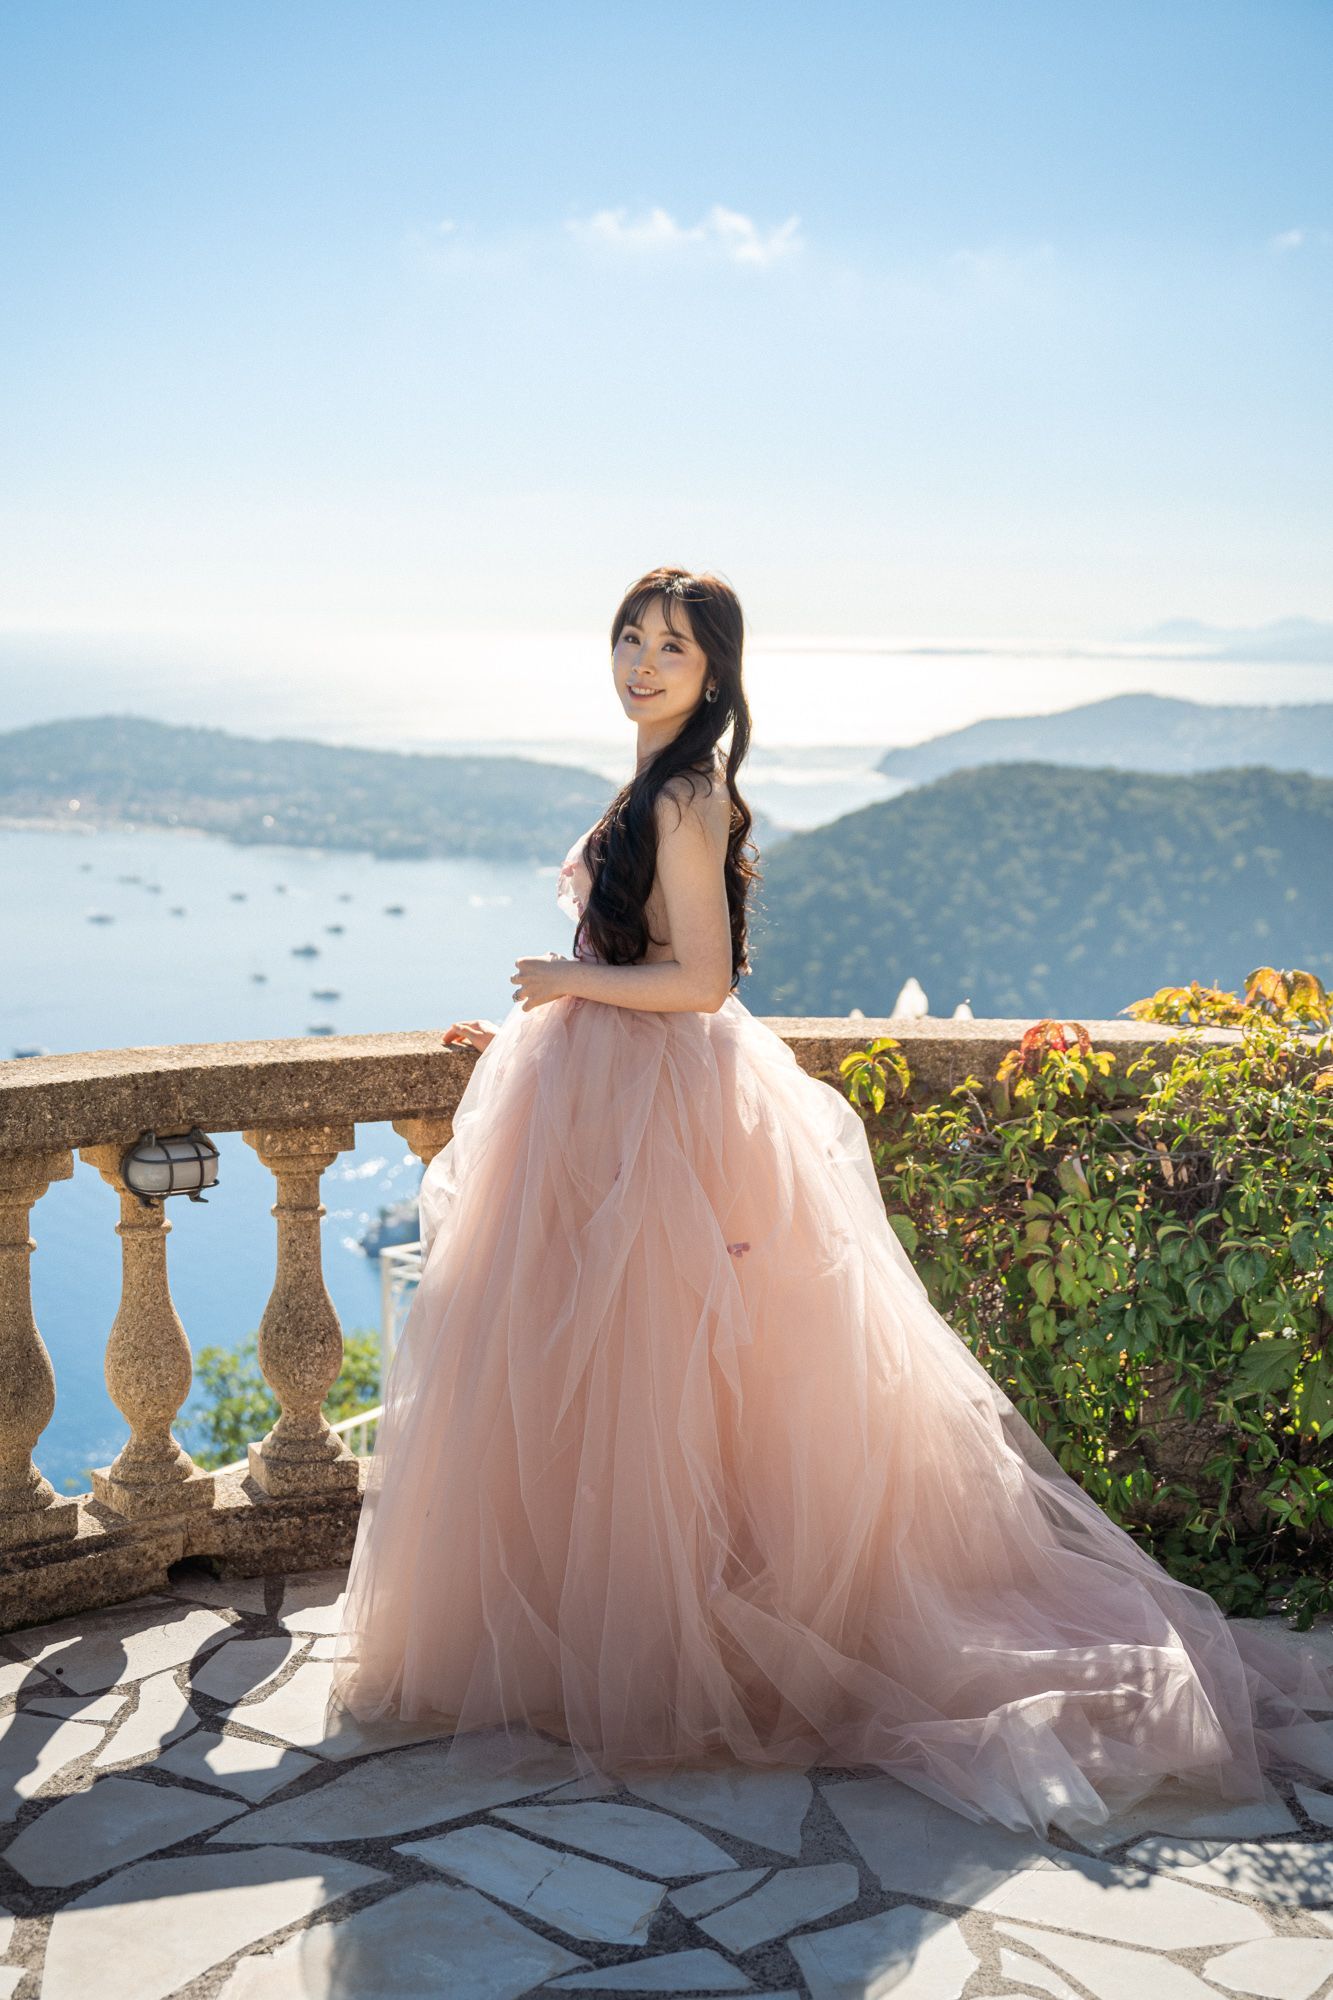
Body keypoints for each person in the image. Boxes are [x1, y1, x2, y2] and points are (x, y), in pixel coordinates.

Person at [328, 564, 1333, 1840]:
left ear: (713, 673)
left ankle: (682, 1646)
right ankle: (612, 1634)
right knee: (617, 1372)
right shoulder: (653, 783)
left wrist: (563, 982)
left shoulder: (689, 789)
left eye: (671, 646)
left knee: (674, 1373)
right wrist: (568, 990)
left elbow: (700, 978)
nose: (641, 660)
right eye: (630, 636)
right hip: (601, 1094)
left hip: (659, 1103)